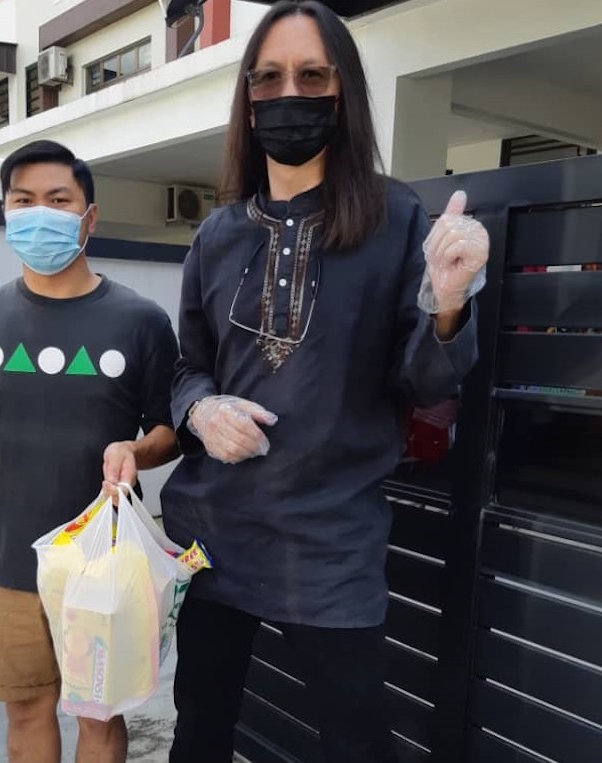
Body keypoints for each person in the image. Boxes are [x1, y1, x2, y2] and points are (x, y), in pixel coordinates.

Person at [160, 2, 489, 762]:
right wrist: (201, 408)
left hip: (331, 542)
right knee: (199, 729)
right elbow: (186, 364)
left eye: (313, 76)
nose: (289, 94)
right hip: (214, 535)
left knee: (357, 741)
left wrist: (446, 305)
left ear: (344, 95)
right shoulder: (218, 234)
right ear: (248, 96)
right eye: (269, 77)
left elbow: (425, 379)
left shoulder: (396, 218)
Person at [0, 140, 179, 763]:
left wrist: (134, 448)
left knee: (99, 718)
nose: (39, 213)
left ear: (89, 217)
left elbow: (170, 431)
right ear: (6, 213)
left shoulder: (141, 320)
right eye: (23, 201)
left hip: (106, 562)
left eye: (58, 200)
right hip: (8, 562)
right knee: (25, 710)